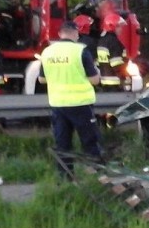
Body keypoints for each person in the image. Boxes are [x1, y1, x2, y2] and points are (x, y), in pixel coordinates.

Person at [38, 21, 102, 179]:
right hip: (80, 104)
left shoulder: (47, 52)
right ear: (75, 33)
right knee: (89, 141)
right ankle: (95, 176)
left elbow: (41, 80)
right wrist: (98, 73)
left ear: (60, 34)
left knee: (63, 143)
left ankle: (65, 178)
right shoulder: (80, 51)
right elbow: (94, 80)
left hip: (58, 104)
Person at [96, 13, 127, 88]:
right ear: (112, 27)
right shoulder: (114, 41)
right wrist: (125, 76)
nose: (121, 29)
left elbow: (98, 63)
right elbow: (116, 63)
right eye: (119, 26)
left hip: (104, 81)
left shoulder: (102, 41)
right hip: (115, 82)